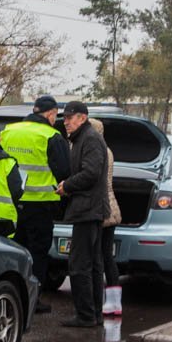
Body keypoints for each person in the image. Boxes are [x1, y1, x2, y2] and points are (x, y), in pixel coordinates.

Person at [0, 95, 71, 313]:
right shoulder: (52, 135)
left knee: (15, 250)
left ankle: (14, 295)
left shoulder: (9, 131)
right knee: (38, 252)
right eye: (55, 116)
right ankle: (33, 299)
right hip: (40, 205)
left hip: (12, 203)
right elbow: (64, 171)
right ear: (51, 114)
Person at [55, 100, 109, 327]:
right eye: (64, 118)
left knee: (80, 265)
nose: (65, 122)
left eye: (70, 117)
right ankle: (93, 314)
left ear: (83, 118)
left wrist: (67, 186)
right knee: (93, 265)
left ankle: (86, 315)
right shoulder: (82, 139)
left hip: (88, 210)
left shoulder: (90, 140)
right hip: (89, 208)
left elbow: (91, 173)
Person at [91, 118, 123, 316]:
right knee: (106, 256)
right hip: (111, 207)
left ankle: (106, 302)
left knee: (100, 257)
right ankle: (113, 303)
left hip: (103, 208)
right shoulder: (107, 150)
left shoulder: (99, 151)